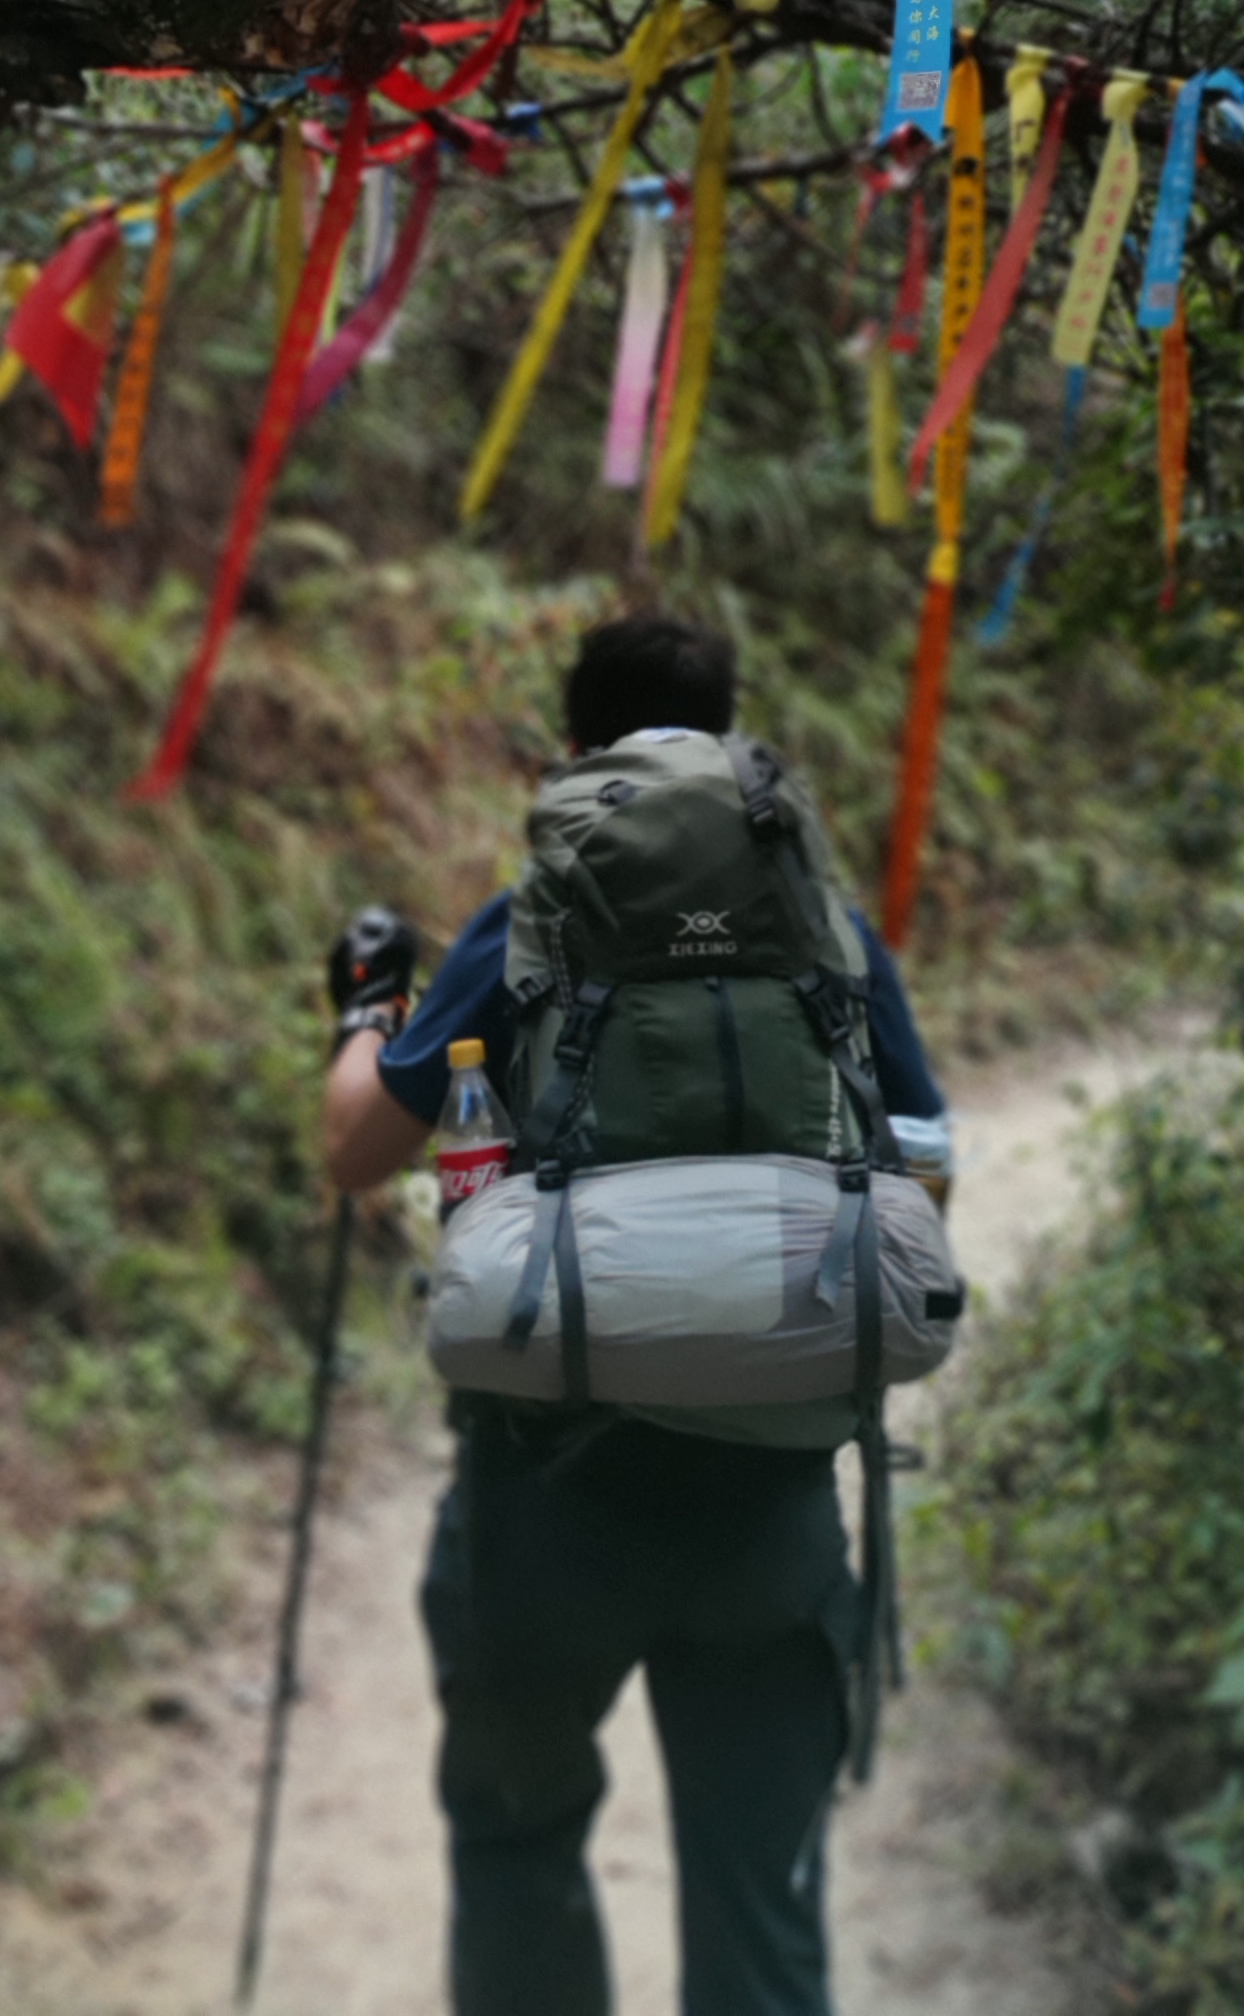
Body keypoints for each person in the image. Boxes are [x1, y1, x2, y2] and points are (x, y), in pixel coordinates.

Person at [322, 612, 945, 2016]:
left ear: (573, 752)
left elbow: (359, 1149)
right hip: (772, 1499)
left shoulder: (534, 917)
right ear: (731, 739)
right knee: (760, 1893)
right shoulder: (823, 928)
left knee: (518, 1838)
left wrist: (368, 1014)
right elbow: (924, 1185)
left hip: (545, 1496)